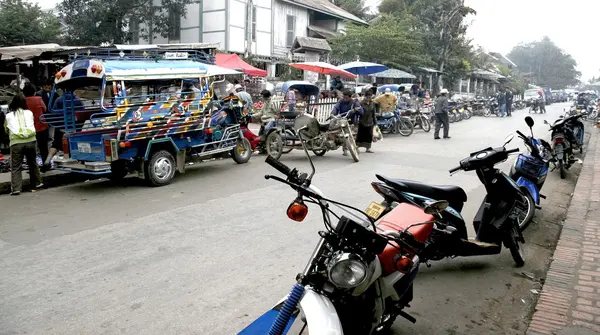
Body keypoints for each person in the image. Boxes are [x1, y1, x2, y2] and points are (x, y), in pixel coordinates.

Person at [3, 93, 43, 195]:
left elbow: (6, 129)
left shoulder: (8, 116)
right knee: (32, 163)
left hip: (16, 143)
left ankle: (16, 189)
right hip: (31, 141)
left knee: (16, 166)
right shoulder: (29, 112)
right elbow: (31, 123)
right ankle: (37, 183)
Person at [23, 83, 49, 165]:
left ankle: (32, 166)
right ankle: (46, 164)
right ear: (34, 91)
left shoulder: (23, 101)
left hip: (29, 129)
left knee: (30, 149)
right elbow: (45, 110)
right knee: (43, 148)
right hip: (42, 127)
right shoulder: (39, 99)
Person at [332, 90, 362, 156]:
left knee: (353, 136)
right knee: (344, 135)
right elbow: (336, 107)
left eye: (346, 98)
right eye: (344, 97)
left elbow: (361, 111)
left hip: (352, 121)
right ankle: (345, 149)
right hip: (343, 120)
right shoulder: (341, 101)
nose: (344, 99)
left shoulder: (354, 102)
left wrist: (357, 110)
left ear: (350, 97)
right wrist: (333, 113)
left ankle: (355, 147)